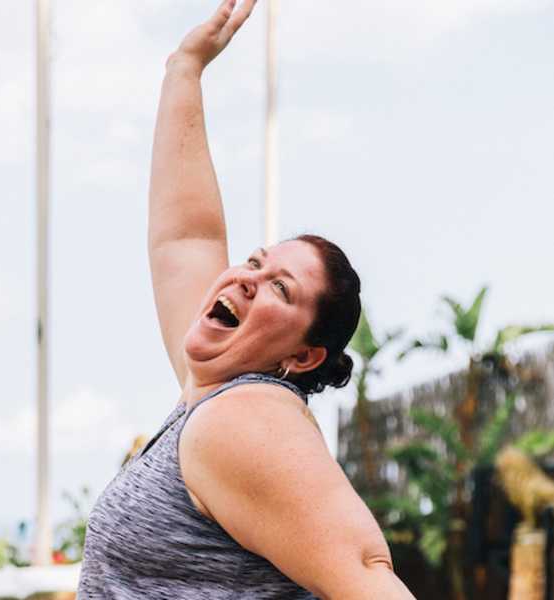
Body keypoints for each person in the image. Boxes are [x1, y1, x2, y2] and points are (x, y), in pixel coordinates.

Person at [77, 2, 418, 599]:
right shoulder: (210, 393)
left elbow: (365, 573)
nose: (248, 278)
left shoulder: (245, 415)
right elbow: (187, 238)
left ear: (305, 356)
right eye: (256, 263)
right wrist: (185, 69)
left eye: (281, 289)